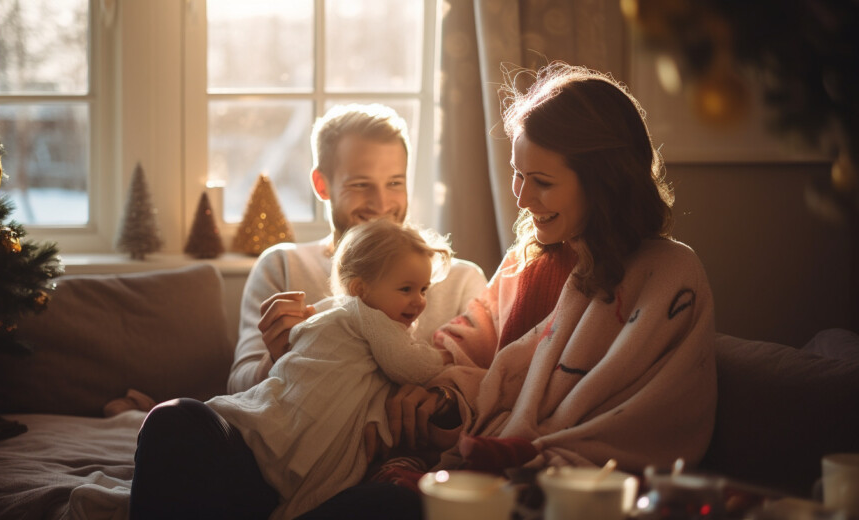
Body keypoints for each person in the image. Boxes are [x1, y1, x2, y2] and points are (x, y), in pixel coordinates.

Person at [379, 61, 718, 481]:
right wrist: (441, 397)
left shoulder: (668, 274)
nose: (521, 198)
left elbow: (658, 414)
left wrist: (529, 456)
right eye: (517, 175)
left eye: (541, 181)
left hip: (574, 483)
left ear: (605, 183)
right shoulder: (527, 259)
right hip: (479, 463)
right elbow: (468, 356)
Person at [131, 219, 454, 519]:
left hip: (308, 465)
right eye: (406, 289)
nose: (420, 301)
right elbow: (412, 367)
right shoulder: (369, 318)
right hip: (273, 437)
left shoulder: (339, 313)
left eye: (424, 289)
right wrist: (445, 358)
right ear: (360, 290)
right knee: (174, 417)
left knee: (397, 504)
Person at [227, 103, 487, 395]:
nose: (380, 203)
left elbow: (488, 381)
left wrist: (440, 398)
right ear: (321, 184)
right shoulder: (282, 267)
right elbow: (238, 387)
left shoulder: (462, 280)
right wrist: (274, 359)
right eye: (361, 184)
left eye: (394, 183)